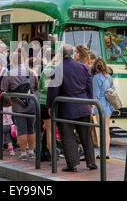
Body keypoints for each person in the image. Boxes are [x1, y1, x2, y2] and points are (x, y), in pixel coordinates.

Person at [47, 44, 97, 172]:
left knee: (67, 136)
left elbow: (53, 91)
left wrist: (50, 105)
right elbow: (89, 86)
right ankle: (91, 162)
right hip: (83, 106)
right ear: (73, 53)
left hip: (66, 108)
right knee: (86, 135)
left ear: (61, 55)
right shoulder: (84, 68)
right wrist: (90, 101)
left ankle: (72, 164)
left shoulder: (57, 69)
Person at [0, 49, 39, 161]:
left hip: (18, 106)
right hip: (32, 104)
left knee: (22, 130)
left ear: (12, 61)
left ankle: (23, 153)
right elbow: (36, 87)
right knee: (31, 128)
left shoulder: (8, 74)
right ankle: (31, 151)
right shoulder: (32, 72)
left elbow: (4, 90)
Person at [91, 57, 114, 160]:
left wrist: (92, 107)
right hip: (108, 106)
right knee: (106, 130)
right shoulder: (109, 77)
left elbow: (95, 94)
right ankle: (106, 152)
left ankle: (102, 153)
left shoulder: (96, 78)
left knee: (101, 130)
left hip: (99, 106)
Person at [38, 49, 59, 162]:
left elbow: (42, 87)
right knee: (53, 130)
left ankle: (52, 156)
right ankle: (52, 154)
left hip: (44, 102)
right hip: (57, 103)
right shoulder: (59, 70)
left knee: (49, 131)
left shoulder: (46, 71)